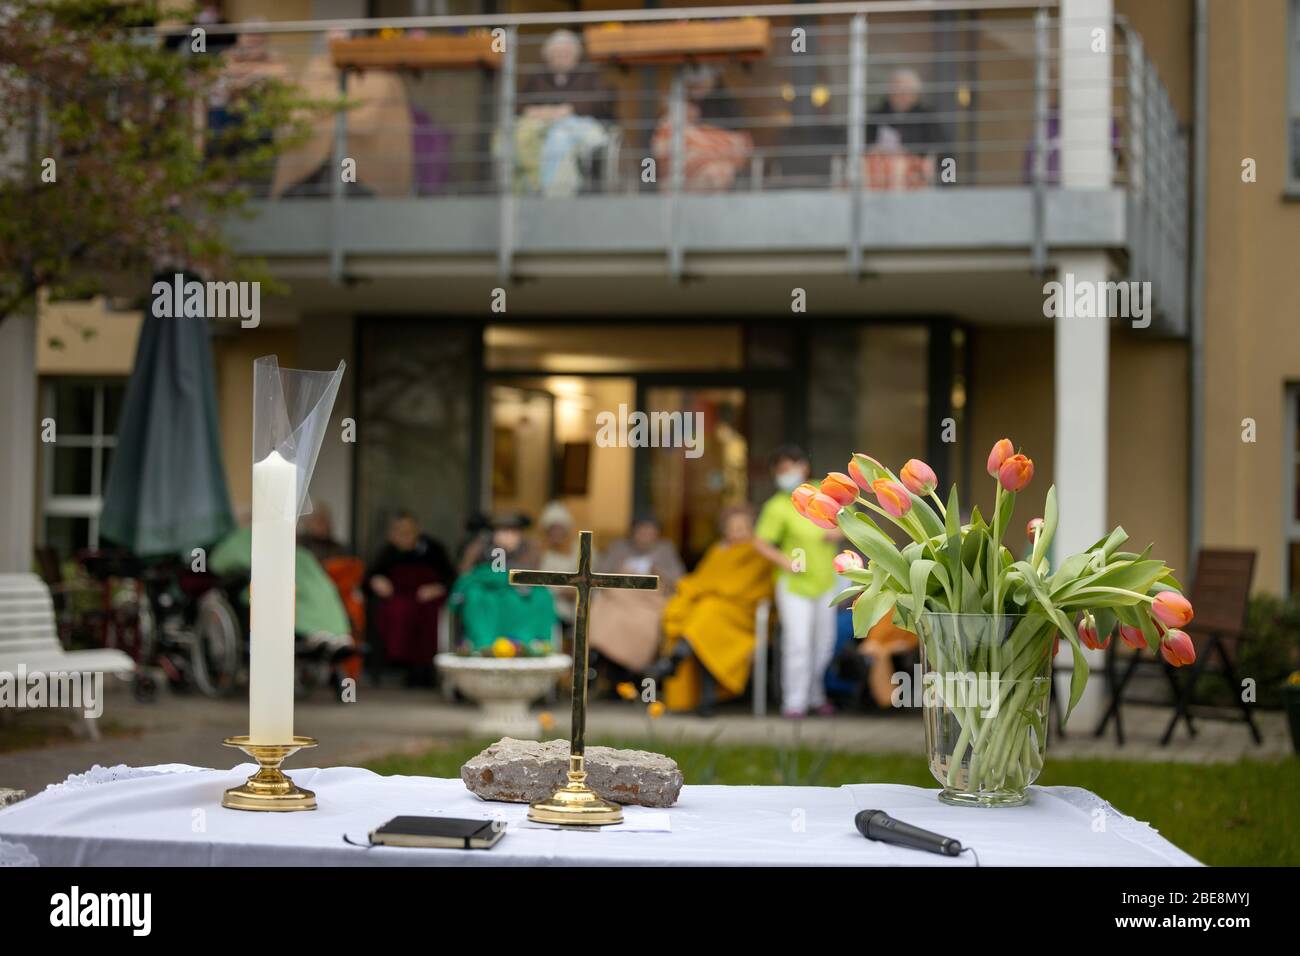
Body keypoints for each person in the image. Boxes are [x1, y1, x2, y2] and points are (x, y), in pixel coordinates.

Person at [647, 505, 774, 716]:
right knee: (702, 627)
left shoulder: (758, 550)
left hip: (742, 613)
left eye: (743, 527)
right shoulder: (718, 550)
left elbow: (747, 585)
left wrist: (713, 590)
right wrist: (700, 589)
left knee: (706, 616)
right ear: (725, 530)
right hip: (712, 609)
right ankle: (706, 699)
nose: (738, 532)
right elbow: (702, 579)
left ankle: (675, 658)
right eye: (733, 528)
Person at [753, 445, 840, 718]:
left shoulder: (822, 493)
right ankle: (794, 703)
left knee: (824, 642)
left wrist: (837, 532)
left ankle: (815, 696)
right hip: (794, 585)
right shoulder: (778, 506)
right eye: (780, 470)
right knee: (798, 642)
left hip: (827, 579)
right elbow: (761, 543)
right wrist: (785, 562)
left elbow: (846, 522)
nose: (785, 474)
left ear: (804, 466)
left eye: (789, 467)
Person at [513, 29, 614, 197]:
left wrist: (570, 109)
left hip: (576, 126)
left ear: (576, 55)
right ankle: (526, 190)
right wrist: (534, 111)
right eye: (556, 54)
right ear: (548, 56)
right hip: (540, 126)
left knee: (560, 138)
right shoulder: (537, 75)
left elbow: (602, 100)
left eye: (566, 53)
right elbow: (519, 102)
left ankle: (554, 192)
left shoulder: (590, 73)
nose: (561, 58)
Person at [367, 511, 455, 685]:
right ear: (392, 535)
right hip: (399, 598)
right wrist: (377, 581)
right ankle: (401, 667)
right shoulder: (387, 553)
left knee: (431, 616)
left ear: (417, 530)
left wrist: (439, 587)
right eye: (399, 531)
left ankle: (427, 669)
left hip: (429, 600)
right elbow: (371, 577)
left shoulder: (434, 549)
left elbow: (451, 577)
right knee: (397, 612)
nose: (404, 535)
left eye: (408, 531)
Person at [589, 515, 685, 674]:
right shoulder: (618, 547)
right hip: (619, 597)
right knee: (604, 612)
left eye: (650, 532)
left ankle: (632, 669)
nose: (645, 536)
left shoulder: (666, 549)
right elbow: (599, 574)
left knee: (644, 622)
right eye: (642, 531)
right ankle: (603, 659)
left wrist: (659, 573)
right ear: (633, 532)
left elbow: (679, 580)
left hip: (650, 601)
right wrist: (621, 571)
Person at [451, 515, 556, 653]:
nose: (508, 535)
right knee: (475, 596)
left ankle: (528, 643)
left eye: (513, 531)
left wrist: (509, 555)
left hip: (518, 591)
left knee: (540, 597)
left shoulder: (529, 547)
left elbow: (532, 572)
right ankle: (483, 644)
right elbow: (466, 572)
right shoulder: (481, 545)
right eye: (503, 531)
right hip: (487, 591)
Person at [651, 64, 753, 191]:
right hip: (676, 183)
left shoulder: (725, 107)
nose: (696, 84)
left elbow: (741, 148)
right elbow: (655, 157)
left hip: (711, 185)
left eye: (701, 79)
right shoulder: (670, 117)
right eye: (692, 82)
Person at [864, 68, 945, 189]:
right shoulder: (876, 116)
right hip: (878, 177)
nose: (901, 96)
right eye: (897, 91)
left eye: (907, 92)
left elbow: (939, 151)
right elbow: (863, 143)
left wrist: (908, 152)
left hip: (913, 178)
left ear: (915, 95)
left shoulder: (927, 118)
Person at [537, 501, 580, 627]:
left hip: (568, 610)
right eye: (552, 529)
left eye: (560, 529)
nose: (556, 533)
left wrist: (571, 591)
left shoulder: (577, 553)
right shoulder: (539, 552)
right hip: (542, 606)